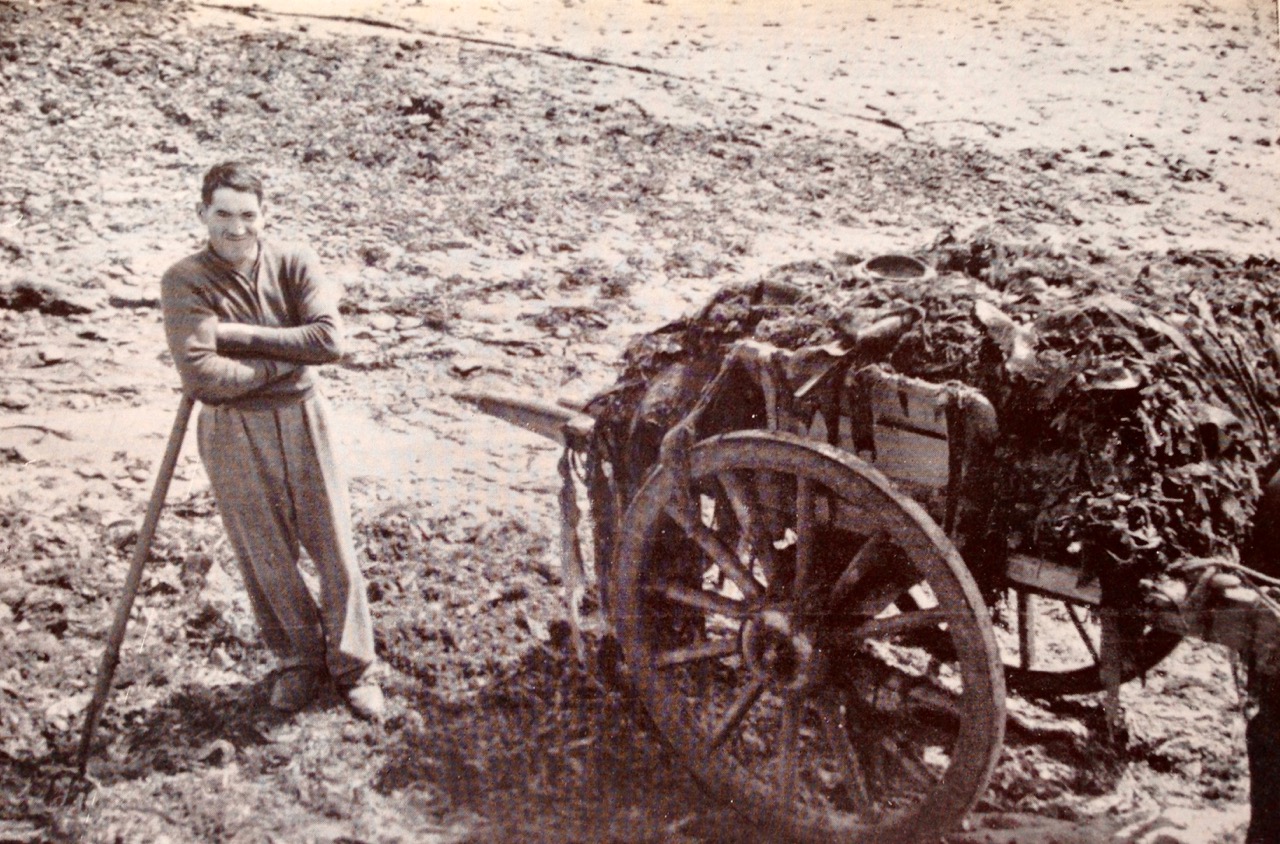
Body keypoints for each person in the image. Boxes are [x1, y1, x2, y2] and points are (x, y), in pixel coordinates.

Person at [160, 160, 383, 720]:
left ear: (265, 215)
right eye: (223, 215)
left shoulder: (293, 261)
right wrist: (286, 360)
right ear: (202, 213)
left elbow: (328, 341)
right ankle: (298, 661)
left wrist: (238, 336)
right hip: (231, 427)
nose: (236, 229)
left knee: (334, 543)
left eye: (248, 215)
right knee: (264, 552)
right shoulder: (184, 279)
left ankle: (355, 666)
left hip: (304, 417)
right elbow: (204, 377)